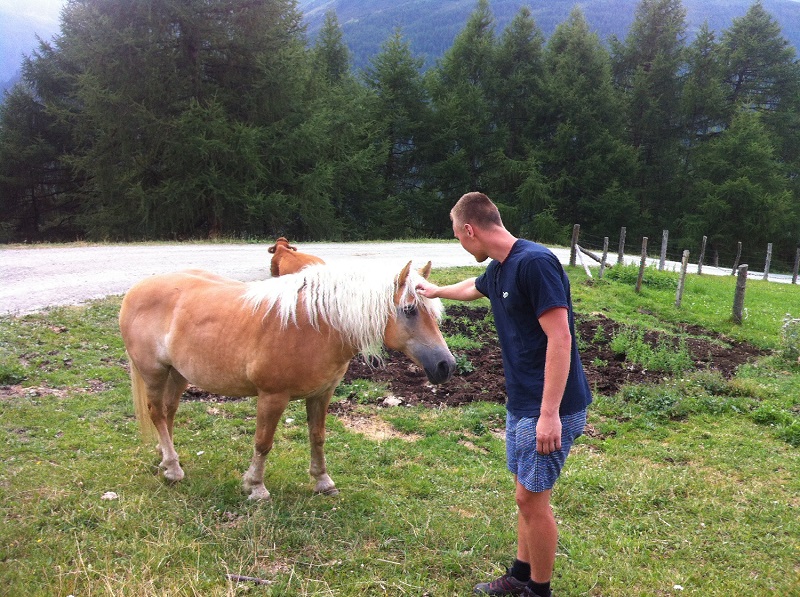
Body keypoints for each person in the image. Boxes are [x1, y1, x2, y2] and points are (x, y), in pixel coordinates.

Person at [416, 192, 592, 597]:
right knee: (525, 497)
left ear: (469, 229)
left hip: (551, 407)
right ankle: (520, 574)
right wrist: (436, 291)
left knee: (533, 502)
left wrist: (550, 414)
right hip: (524, 402)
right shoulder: (499, 269)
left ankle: (539, 590)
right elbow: (471, 288)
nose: (460, 243)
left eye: (457, 236)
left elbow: (560, 339)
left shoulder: (534, 263)